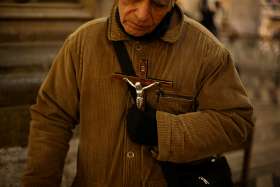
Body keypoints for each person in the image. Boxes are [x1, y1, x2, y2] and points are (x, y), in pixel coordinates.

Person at [22, 0, 254, 186]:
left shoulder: (207, 52)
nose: (143, 14)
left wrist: (163, 132)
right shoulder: (81, 44)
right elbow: (51, 119)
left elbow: (236, 122)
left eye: (158, 4)